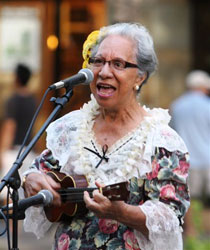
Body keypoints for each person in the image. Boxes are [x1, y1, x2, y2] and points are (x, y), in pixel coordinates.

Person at [21, 22, 190, 250]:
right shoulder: (69, 128)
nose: (104, 71)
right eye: (98, 61)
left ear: (140, 77)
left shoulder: (161, 140)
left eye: (118, 64)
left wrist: (122, 212)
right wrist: (31, 179)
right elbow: (40, 170)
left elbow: (171, 218)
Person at [170, 70, 210, 236]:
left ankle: (192, 234)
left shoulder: (177, 106)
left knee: (189, 200)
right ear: (204, 87)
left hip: (187, 161)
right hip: (208, 159)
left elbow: (171, 135)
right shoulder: (208, 105)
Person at [0, 63, 37, 200]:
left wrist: (2, 151)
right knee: (24, 195)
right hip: (29, 151)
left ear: (17, 78)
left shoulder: (13, 100)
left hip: (13, 152)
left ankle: (10, 223)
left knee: (9, 196)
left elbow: (10, 126)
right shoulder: (33, 100)